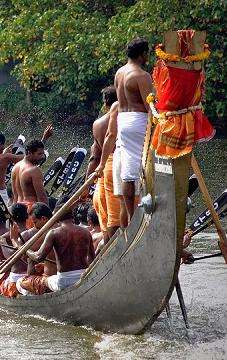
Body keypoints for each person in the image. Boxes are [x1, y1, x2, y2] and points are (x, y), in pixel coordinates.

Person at [96, 37, 153, 227]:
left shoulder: (119, 73)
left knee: (130, 172)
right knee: (142, 169)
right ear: (143, 54)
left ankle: (131, 215)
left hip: (124, 120)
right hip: (138, 121)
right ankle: (138, 214)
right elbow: (149, 106)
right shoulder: (142, 75)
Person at [0, 126, 53, 209]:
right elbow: (29, 157)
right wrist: (44, 139)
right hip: (0, 196)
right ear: (1, 144)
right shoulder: (6, 157)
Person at [26, 209, 94, 292]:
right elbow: (92, 260)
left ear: (56, 217)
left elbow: (38, 257)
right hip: (84, 276)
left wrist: (25, 250)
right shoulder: (86, 232)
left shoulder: (53, 233)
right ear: (72, 217)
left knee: (21, 282)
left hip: (63, 281)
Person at [88, 86, 122, 241]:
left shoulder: (98, 124)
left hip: (103, 175)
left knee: (108, 223)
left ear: (105, 103)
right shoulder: (125, 118)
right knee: (116, 221)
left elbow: (94, 158)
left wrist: (87, 184)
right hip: (118, 169)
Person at [11, 140, 49, 226]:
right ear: (29, 153)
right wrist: (48, 216)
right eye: (39, 154)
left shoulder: (15, 168)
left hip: (18, 211)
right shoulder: (34, 170)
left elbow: (14, 196)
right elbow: (42, 197)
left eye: (43, 153)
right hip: (32, 213)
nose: (42, 157)